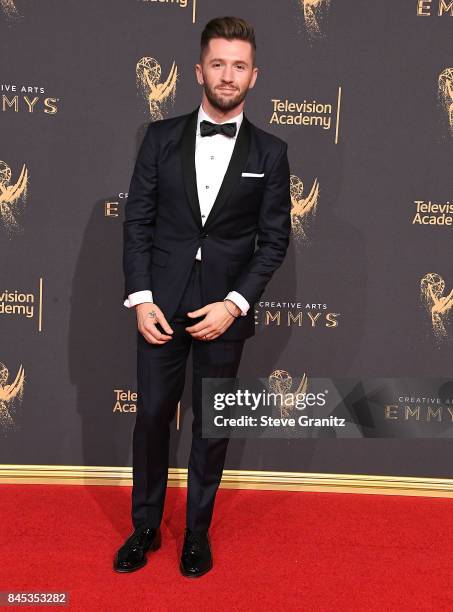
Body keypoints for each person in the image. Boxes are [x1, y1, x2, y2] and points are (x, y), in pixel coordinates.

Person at [114, 15, 291, 578]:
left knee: (211, 428)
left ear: (254, 75)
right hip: (159, 304)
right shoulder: (160, 137)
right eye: (218, 63)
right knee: (151, 419)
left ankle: (196, 533)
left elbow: (274, 240)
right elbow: (137, 221)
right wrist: (141, 298)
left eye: (239, 65)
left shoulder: (271, 152)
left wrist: (234, 304)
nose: (228, 74)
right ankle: (144, 526)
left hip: (223, 310)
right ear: (199, 71)